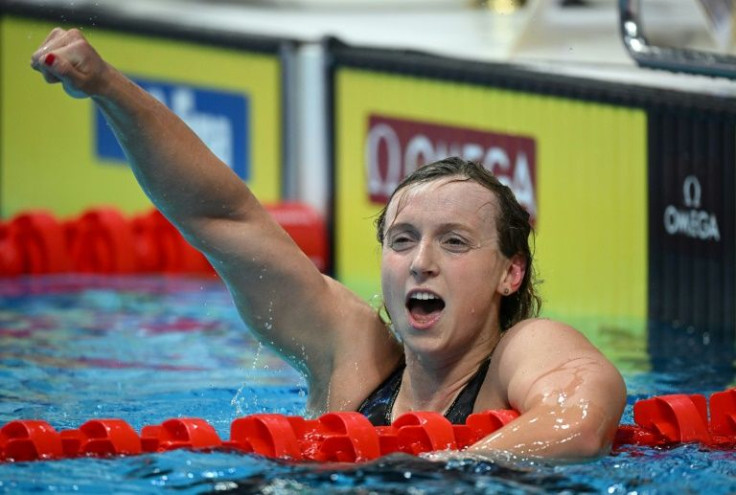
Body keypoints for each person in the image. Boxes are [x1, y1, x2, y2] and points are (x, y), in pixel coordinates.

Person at [31, 27, 626, 463]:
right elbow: (222, 218)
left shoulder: (524, 351)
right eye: (402, 240)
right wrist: (105, 86)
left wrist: (438, 465)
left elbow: (578, 425)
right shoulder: (353, 355)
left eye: (454, 242)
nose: (422, 263)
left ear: (511, 272)